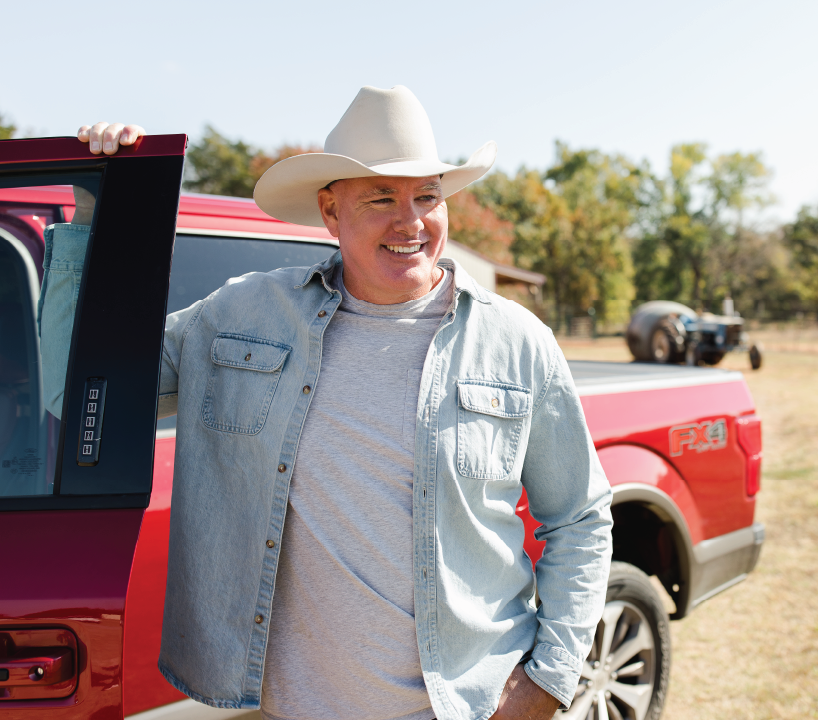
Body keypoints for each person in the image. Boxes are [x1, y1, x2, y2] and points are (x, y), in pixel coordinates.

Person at [44, 86, 613, 720]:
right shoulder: (241, 314)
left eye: (428, 196)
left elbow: (580, 518)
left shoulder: (517, 341)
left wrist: (549, 680)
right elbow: (72, 392)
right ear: (330, 211)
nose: (411, 222)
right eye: (380, 198)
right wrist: (97, 210)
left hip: (469, 706)